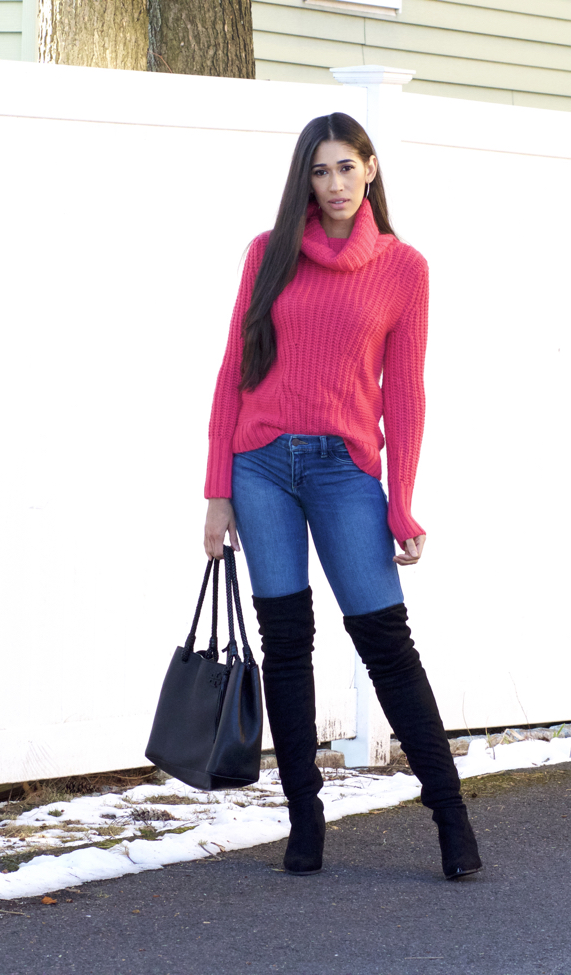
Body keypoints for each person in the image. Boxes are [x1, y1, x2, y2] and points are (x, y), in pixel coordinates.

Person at [203, 112, 482, 880]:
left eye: (344, 169)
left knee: (384, 640)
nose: (332, 185)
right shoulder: (268, 255)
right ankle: (304, 819)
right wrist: (215, 492)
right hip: (258, 465)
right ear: (305, 177)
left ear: (371, 169)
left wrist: (401, 502)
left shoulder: (404, 267)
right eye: (318, 171)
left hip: (342, 470)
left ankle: (451, 818)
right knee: (286, 643)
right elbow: (233, 370)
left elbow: (406, 395)